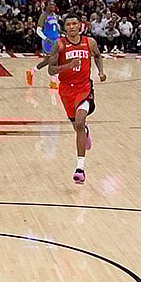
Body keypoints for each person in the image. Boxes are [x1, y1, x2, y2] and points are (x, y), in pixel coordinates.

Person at [47, 14, 107, 185]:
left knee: (80, 122)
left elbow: (97, 55)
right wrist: (67, 65)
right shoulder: (59, 45)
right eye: (68, 24)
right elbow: (51, 70)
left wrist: (100, 72)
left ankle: (80, 168)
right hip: (66, 91)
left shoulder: (90, 42)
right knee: (77, 126)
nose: (72, 27)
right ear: (64, 27)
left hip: (84, 88)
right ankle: (85, 132)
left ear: (80, 25)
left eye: (75, 24)